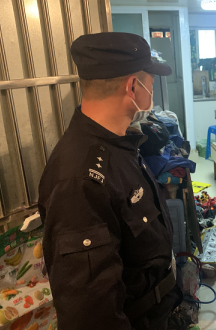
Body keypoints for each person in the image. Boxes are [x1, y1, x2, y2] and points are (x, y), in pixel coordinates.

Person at [38, 32, 182, 330]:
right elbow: (90, 314)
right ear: (133, 86)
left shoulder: (118, 144)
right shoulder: (80, 179)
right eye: (151, 79)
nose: (153, 87)